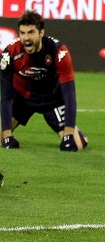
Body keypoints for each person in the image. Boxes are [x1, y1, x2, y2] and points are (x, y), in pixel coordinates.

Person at [1, 10, 88, 151]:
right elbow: (6, 98)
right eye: (22, 33)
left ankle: (79, 135)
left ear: (41, 33)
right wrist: (7, 137)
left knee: (75, 146)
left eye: (31, 32)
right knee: (1, 138)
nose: (26, 38)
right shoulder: (9, 54)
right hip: (23, 99)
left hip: (51, 100)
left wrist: (68, 135)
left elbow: (69, 96)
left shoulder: (58, 51)